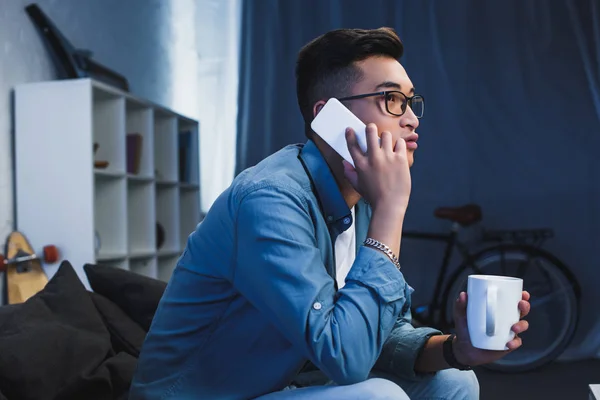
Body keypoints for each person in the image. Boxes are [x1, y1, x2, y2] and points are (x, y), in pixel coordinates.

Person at [128, 27, 531, 400]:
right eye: (391, 99)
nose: (410, 118)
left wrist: (457, 350)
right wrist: (393, 209)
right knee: (380, 397)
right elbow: (346, 357)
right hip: (207, 395)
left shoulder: (363, 201)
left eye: (411, 102)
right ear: (329, 117)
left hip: (288, 382)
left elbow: (383, 335)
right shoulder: (270, 199)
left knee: (456, 381)